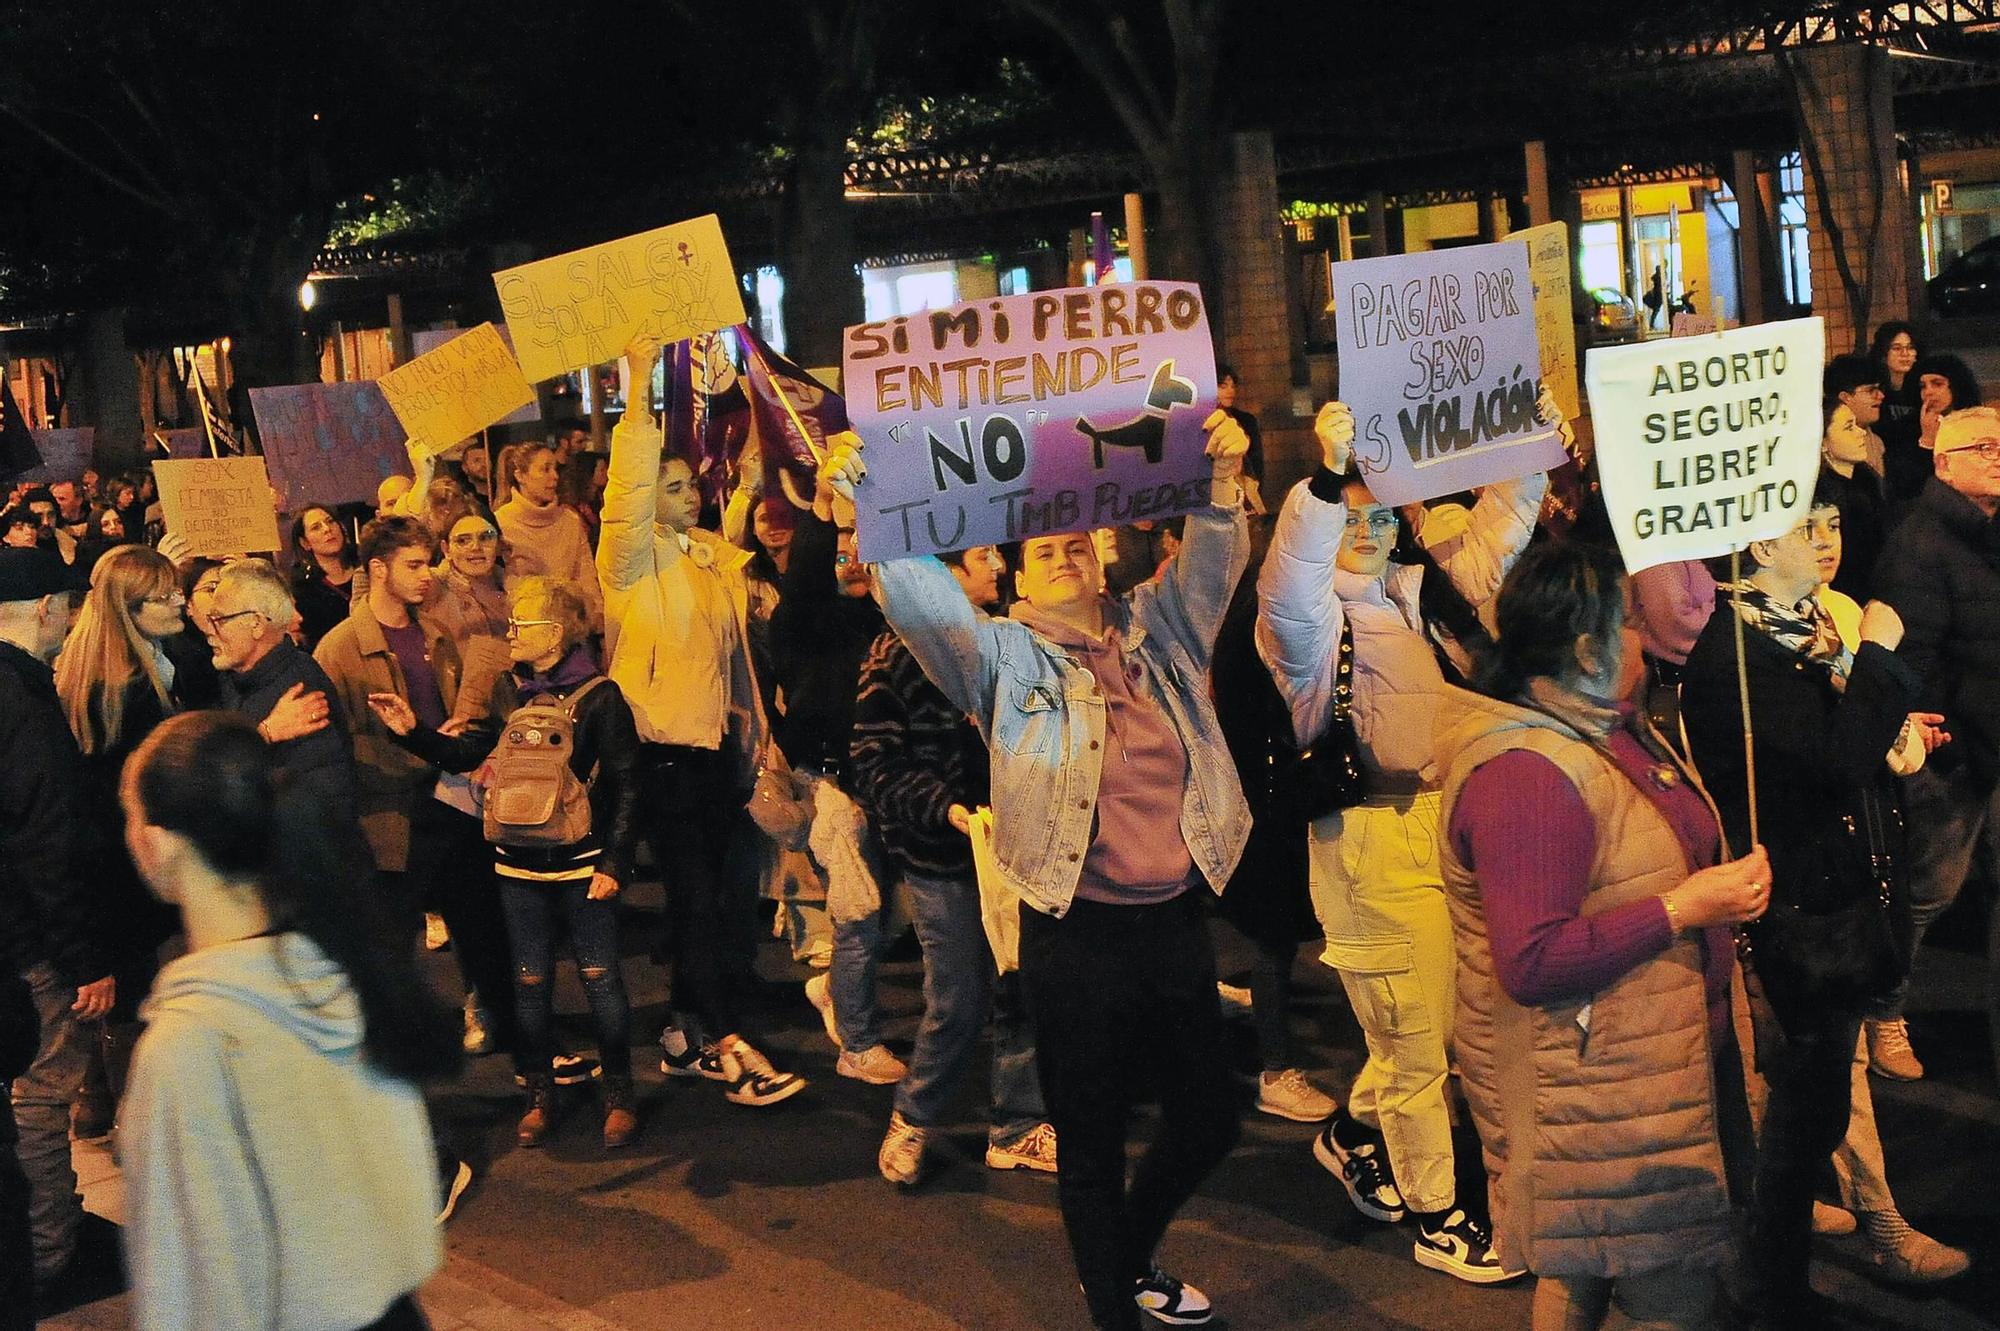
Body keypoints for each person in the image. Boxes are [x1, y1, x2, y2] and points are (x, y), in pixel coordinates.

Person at [827, 410, 1249, 1331]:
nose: (1063, 553)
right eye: (1042, 547)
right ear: (1016, 575)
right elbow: (920, 601)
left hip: (1174, 920)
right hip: (1077, 932)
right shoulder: (998, 655)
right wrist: (869, 499)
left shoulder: (1160, 629)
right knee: (1090, 1140)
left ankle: (1126, 1252)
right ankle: (1115, 1307)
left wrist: (1219, 477)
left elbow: (1216, 559)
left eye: (1076, 541)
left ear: (1103, 556)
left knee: (1210, 1116)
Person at [1436, 538, 1767, 1331]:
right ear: (1586, 647)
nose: (1643, 641)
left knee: (1580, 1274)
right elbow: (1533, 959)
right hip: (1594, 1096)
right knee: (1675, 1300)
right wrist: (1685, 907)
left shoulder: (1597, 728)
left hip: (1637, 1072)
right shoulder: (1528, 776)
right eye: (1626, 625)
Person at [1256, 399, 1552, 1284]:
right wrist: (1321, 481)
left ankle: (1353, 1136)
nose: (1370, 529)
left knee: (1429, 1028)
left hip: (1439, 830)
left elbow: (1498, 532)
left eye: (1381, 513)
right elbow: (1288, 581)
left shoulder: (1415, 596)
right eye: (1353, 517)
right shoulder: (1311, 628)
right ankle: (1438, 1214)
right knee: (1421, 1046)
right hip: (1370, 843)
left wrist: (1531, 445)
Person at [1680, 503, 1947, 1324]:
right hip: (1796, 915)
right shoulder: (1734, 652)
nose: (1829, 540)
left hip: (1836, 903)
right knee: (1803, 1112)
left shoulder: (1802, 629)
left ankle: (1777, 1279)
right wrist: (1879, 658)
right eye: (1809, 526)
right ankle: (1775, 1294)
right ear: (1760, 546)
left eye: (1836, 520)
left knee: (1820, 1102)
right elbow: (1834, 761)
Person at [118, 711, 460, 1331]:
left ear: (161, 842)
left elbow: (198, 1287)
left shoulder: (193, 1043)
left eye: (130, 816)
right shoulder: (340, 970)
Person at [371, 577, 643, 1149]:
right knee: (529, 983)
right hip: (516, 862)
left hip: (582, 862)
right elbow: (472, 751)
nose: (511, 632)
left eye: (523, 623)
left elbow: (626, 784)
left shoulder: (601, 696)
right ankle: (539, 1094)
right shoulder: (508, 690)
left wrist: (615, 861)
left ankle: (619, 1094)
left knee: (601, 979)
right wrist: (413, 734)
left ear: (559, 631)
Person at [601, 336, 801, 1108]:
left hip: (717, 755)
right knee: (697, 901)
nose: (689, 493)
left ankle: (684, 1036)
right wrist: (641, 378)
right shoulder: (628, 560)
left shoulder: (707, 558)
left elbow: (732, 658)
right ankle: (722, 1041)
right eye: (674, 485)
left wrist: (751, 729)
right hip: (659, 758)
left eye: (690, 483)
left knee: (714, 896)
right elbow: (625, 493)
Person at [849, 543, 1058, 1183]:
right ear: (941, 577)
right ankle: (914, 1116)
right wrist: (948, 811)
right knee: (961, 996)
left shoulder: (1014, 641)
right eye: (980, 556)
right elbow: (875, 767)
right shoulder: (895, 657)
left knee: (1027, 986)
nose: (997, 565)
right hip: (943, 857)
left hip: (1019, 850)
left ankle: (1017, 1126)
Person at [1864, 406, 2000, 1081]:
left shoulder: (1982, 535)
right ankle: (1885, 1016)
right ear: (1943, 462)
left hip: (1986, 747)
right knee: (1922, 895)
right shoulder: (1921, 545)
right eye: (1983, 446)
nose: (1997, 456)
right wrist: (1954, 747)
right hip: (1951, 757)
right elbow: (1914, 665)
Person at [50, 546, 187, 1137]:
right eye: (164, 596)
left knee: (127, 997)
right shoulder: (132, 689)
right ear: (130, 611)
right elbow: (170, 773)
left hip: (111, 868)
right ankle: (141, 1128)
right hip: (132, 867)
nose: (180, 600)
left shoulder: (95, 674)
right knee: (135, 1004)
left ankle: (104, 1106)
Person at [0, 592, 112, 1300]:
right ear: (44, 606)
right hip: (26, 939)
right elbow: (47, 834)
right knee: (42, 1094)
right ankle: (47, 1247)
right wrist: (85, 957)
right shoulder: (16, 693)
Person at [776, 479, 904, 1087]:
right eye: (840, 550)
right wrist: (822, 511)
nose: (854, 561)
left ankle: (831, 988)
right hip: (832, 788)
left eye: (864, 547)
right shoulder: (803, 619)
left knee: (892, 917)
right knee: (858, 919)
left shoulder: (888, 615)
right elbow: (803, 579)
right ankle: (857, 1042)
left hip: (888, 786)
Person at [206, 559, 352, 816]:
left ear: (257, 624)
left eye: (219, 618)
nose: (210, 630)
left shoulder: (299, 696)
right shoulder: (236, 678)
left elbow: (325, 800)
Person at [495, 443, 601, 627]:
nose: (555, 476)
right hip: (525, 627)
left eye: (555, 468)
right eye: (545, 469)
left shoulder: (570, 520)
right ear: (520, 476)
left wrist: (597, 618)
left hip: (571, 627)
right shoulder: (501, 523)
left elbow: (586, 576)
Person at [289, 505, 360, 651]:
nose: (327, 529)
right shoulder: (303, 588)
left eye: (330, 521)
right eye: (316, 527)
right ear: (305, 543)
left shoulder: (365, 566)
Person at [1868, 323, 1922, 500]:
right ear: (1884, 354)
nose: (1905, 354)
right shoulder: (1875, 392)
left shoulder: (1922, 389)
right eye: (1897, 348)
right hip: (1888, 469)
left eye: (1910, 348)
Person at [1823, 354, 1887, 478]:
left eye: (1880, 389)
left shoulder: (1877, 443)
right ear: (1845, 397)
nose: (1880, 396)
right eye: (1870, 390)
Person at [1215, 365, 1265, 514]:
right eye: (1223, 386)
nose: (1230, 391)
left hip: (1245, 492)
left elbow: (1257, 462)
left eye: (1233, 386)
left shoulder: (1246, 421)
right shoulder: (1200, 423)